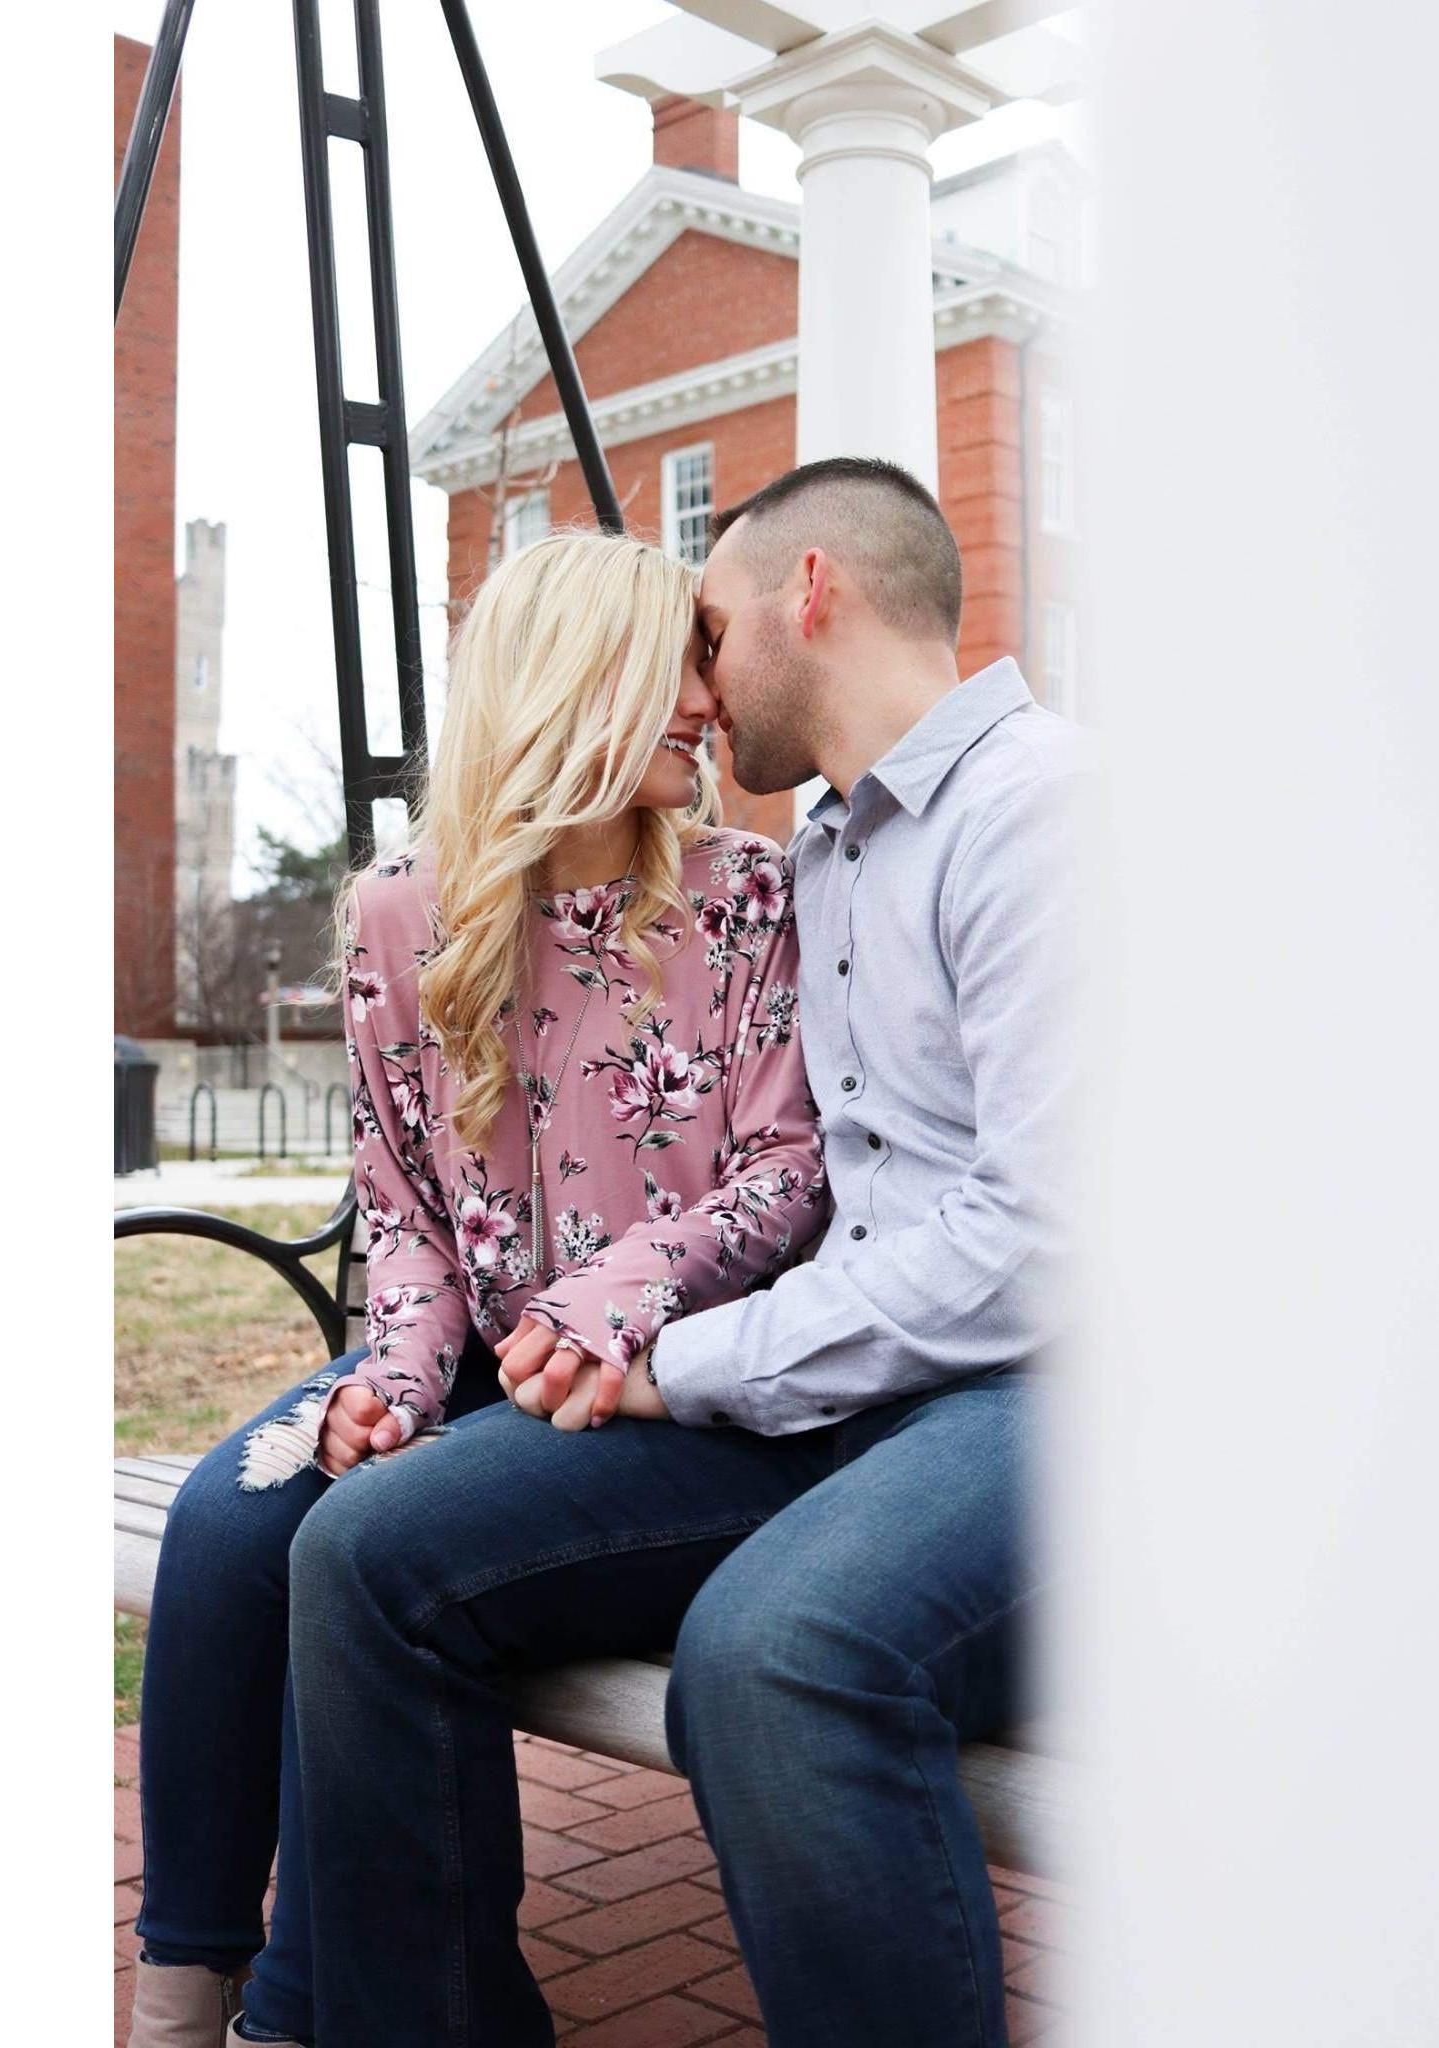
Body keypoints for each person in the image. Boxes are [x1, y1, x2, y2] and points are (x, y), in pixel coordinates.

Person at [290, 456, 1086, 2047]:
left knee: (772, 1652)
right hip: (843, 1386)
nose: (700, 693)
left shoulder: (1046, 815)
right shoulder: (832, 854)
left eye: (707, 634)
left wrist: (686, 1364)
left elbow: (1040, 1248)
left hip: (1046, 1393)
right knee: (365, 1552)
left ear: (811, 595)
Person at [128, 531, 825, 2048]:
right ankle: (181, 1981)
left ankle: (298, 2013)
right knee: (233, 1516)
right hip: (468, 1358)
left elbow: (786, 1176)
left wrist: (615, 1297)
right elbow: (405, 1207)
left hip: (655, 1386)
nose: (711, 699)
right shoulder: (403, 911)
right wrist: (387, 1373)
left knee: (367, 1547)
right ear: (576, 686)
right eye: (677, 665)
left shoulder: (752, 900)